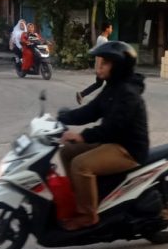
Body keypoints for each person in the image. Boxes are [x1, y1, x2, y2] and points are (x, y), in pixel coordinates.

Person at [57, 41, 149, 231]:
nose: (99, 67)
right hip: (112, 141)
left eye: (105, 63)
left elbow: (112, 128)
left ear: (118, 66)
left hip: (128, 149)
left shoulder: (128, 93)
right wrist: (63, 117)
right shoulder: (113, 87)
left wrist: (83, 136)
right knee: (67, 151)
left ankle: (88, 215)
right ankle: (81, 197)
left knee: (80, 165)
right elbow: (91, 111)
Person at [77, 22, 115, 104]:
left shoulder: (100, 38)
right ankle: (107, 101)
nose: (112, 30)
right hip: (102, 67)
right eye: (111, 28)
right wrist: (99, 67)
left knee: (99, 84)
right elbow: (100, 55)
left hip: (101, 66)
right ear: (107, 29)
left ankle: (82, 94)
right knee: (111, 84)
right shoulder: (104, 40)